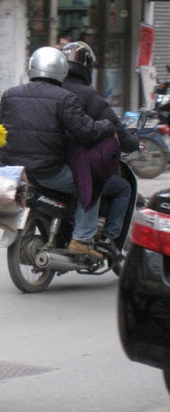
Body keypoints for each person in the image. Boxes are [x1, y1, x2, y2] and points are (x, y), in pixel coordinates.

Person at [0, 46, 117, 260]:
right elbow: (86, 132)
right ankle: (81, 238)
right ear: (61, 71)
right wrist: (107, 125)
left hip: (12, 170)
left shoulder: (9, 94)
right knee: (91, 183)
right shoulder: (64, 98)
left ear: (33, 67)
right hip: (48, 172)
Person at [60, 41, 138, 255]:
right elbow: (116, 127)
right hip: (72, 166)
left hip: (45, 162)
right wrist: (133, 143)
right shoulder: (89, 96)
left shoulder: (51, 90)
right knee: (122, 188)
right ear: (86, 67)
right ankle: (108, 238)